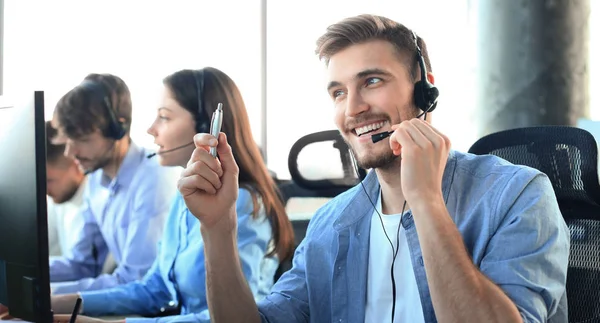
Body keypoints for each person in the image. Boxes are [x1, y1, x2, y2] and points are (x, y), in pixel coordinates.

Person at [177, 14, 571, 323]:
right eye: (339, 92)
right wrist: (218, 227)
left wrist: (426, 202)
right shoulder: (331, 223)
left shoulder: (519, 195)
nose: (352, 109)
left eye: (373, 81)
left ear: (424, 88)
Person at [49, 67, 295, 323]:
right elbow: (155, 289)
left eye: (164, 117)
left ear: (205, 127)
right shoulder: (185, 197)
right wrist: (63, 302)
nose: (150, 130)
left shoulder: (243, 204)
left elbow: (236, 316)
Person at [47, 73, 179, 294]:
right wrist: (27, 278)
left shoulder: (153, 178)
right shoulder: (96, 182)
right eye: (68, 141)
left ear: (118, 129)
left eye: (82, 140)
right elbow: (83, 265)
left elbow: (135, 280)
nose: (70, 152)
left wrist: (48, 294)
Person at [45, 121, 88, 257]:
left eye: (48, 181)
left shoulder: (94, 205)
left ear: (76, 166)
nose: (44, 191)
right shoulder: (58, 198)